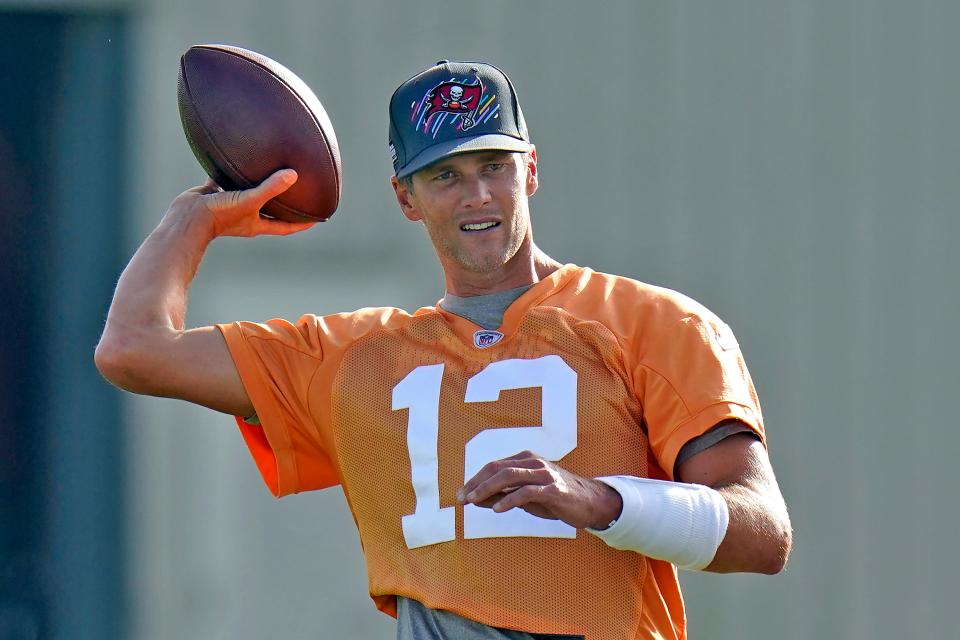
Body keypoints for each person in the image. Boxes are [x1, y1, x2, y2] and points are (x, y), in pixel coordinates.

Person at [96, 60, 792, 640]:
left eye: (495, 164)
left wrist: (602, 499)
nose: (478, 194)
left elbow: (763, 535)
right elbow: (133, 348)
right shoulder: (354, 355)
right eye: (445, 175)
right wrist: (193, 220)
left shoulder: (654, 323)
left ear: (532, 170)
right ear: (405, 197)